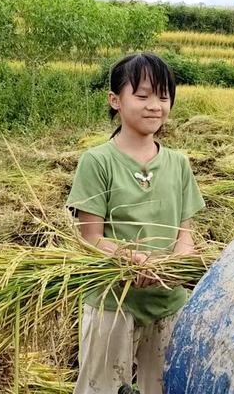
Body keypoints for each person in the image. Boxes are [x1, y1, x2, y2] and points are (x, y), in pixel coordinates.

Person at [67, 52, 205, 394]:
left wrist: (176, 262)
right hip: (113, 302)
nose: (154, 105)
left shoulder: (178, 163)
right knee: (101, 387)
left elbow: (185, 232)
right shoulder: (97, 161)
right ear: (115, 100)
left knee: (165, 387)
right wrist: (132, 259)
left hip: (168, 300)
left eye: (163, 96)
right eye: (142, 95)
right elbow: (92, 238)